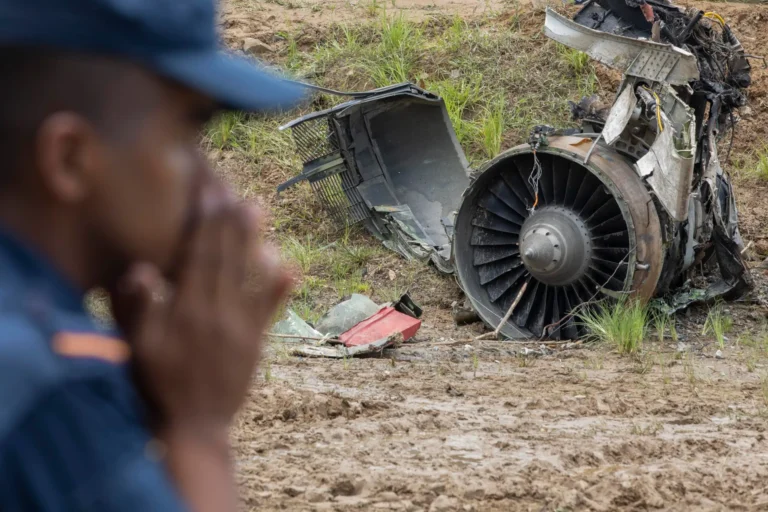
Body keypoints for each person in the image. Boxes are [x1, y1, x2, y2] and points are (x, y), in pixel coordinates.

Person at [0, 0, 305, 510]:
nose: (220, 193)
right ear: (70, 159)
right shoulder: (51, 393)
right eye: (187, 134)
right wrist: (197, 429)